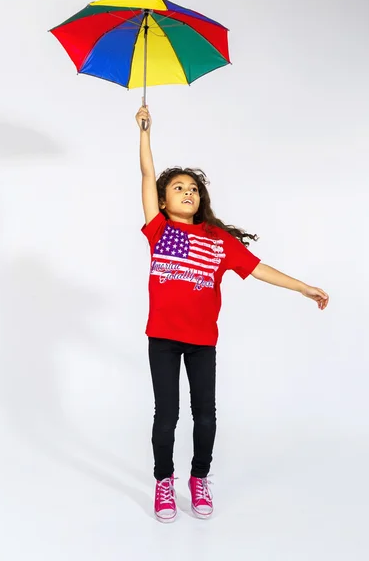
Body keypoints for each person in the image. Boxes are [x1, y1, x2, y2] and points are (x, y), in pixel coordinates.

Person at [135, 102, 329, 523]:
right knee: (167, 415)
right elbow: (148, 175)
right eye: (179, 188)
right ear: (164, 203)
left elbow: (259, 269)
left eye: (193, 188)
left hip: (203, 341)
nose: (188, 192)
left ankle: (198, 478)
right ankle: (163, 483)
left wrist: (303, 287)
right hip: (163, 339)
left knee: (206, 415)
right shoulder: (160, 230)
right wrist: (145, 132)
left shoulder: (219, 239)